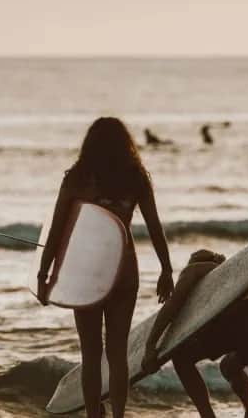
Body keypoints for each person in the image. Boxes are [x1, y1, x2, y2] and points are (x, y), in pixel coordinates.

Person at [37, 117, 174, 418]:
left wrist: (42, 274)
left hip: (87, 271)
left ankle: (93, 416)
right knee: (117, 353)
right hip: (124, 270)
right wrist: (167, 269)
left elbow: (57, 229)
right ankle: (119, 416)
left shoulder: (78, 177)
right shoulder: (135, 177)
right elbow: (155, 226)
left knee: (90, 354)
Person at [142, 249, 248, 418]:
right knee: (229, 366)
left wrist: (150, 345)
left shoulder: (196, 270)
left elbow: (172, 305)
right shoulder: (242, 281)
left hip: (240, 323)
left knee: (181, 357)